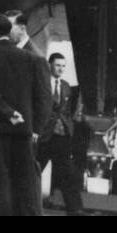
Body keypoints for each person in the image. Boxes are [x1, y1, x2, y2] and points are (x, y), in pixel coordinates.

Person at [0, 12, 48, 216]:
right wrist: (34, 127)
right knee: (22, 175)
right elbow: (40, 97)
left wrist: (8, 112)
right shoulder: (30, 58)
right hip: (21, 127)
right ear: (10, 31)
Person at [37, 52, 85, 215]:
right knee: (34, 168)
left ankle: (74, 208)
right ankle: (21, 203)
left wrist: (68, 126)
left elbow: (66, 111)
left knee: (67, 172)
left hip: (61, 135)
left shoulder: (65, 86)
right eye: (58, 65)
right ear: (49, 65)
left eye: (63, 66)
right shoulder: (41, 82)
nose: (61, 69)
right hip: (43, 134)